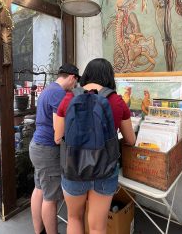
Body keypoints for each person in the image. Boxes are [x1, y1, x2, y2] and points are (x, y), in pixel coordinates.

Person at [54, 58, 136, 234]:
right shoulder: (117, 101)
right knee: (98, 227)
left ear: (87, 74)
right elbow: (131, 140)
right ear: (109, 77)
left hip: (73, 167)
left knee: (74, 218)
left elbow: (57, 137)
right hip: (104, 169)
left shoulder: (69, 98)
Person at [29, 63, 80, 234]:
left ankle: (39, 231)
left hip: (37, 146)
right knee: (50, 198)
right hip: (48, 149)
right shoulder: (59, 94)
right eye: (75, 82)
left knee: (39, 189)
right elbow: (59, 131)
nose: (74, 87)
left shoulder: (49, 89)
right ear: (72, 77)